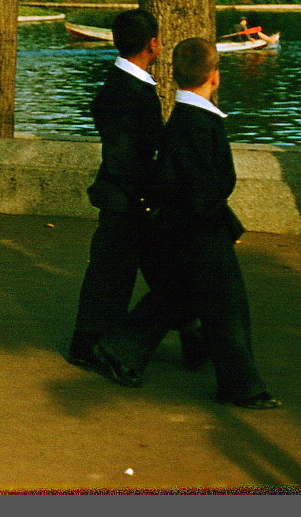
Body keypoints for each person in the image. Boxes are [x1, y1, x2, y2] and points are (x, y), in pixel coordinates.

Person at [89, 38, 280, 410]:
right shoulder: (197, 123)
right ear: (215, 77)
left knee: (178, 294)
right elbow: (207, 186)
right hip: (198, 228)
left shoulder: (187, 120)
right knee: (226, 305)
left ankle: (119, 349)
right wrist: (220, 223)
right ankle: (240, 385)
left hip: (190, 224)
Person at [67, 9, 205, 372]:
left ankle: (189, 336)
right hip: (130, 198)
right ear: (154, 44)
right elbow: (124, 157)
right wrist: (149, 199)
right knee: (116, 278)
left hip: (130, 196)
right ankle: (94, 347)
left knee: (136, 275)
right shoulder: (128, 91)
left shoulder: (124, 86)